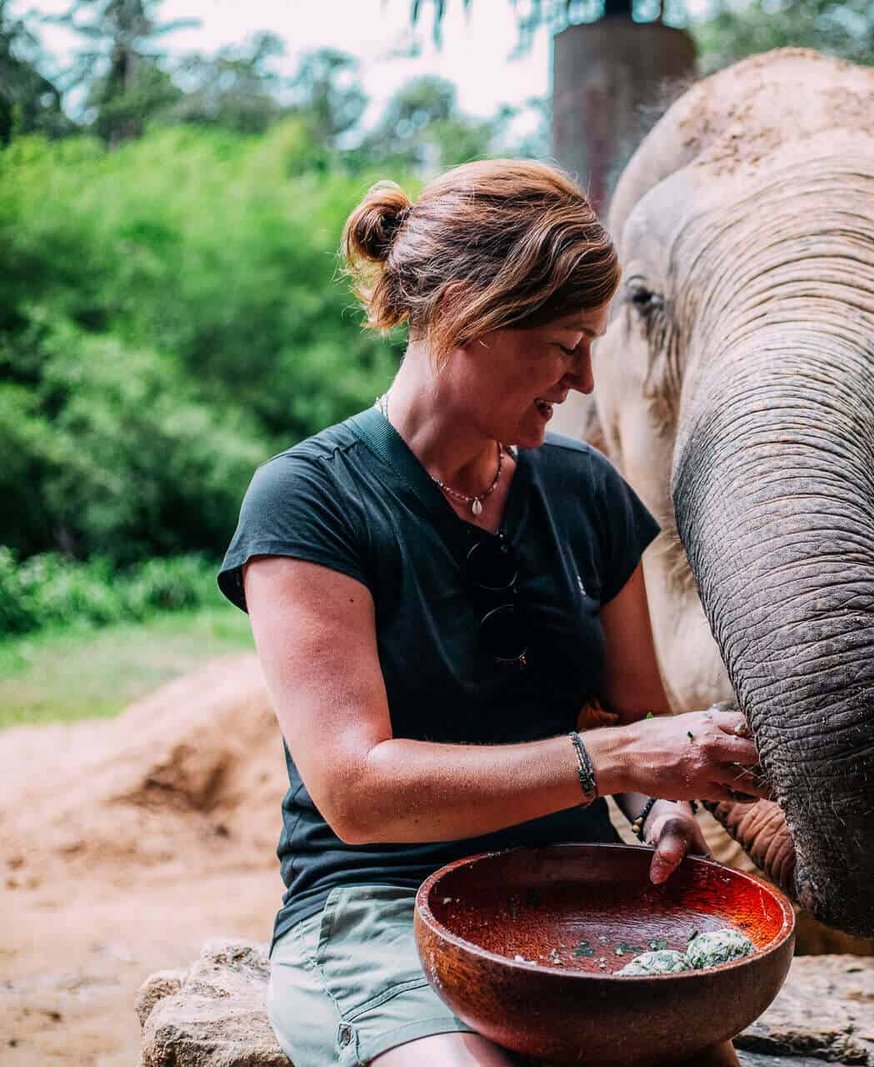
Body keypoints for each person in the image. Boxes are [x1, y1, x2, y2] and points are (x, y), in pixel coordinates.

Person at [218, 159, 765, 1066]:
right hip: (380, 907)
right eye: (564, 341)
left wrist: (661, 806)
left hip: (583, 898)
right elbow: (356, 791)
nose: (585, 377)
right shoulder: (307, 499)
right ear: (469, 312)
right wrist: (624, 759)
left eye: (592, 341)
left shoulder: (586, 490)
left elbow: (627, 723)